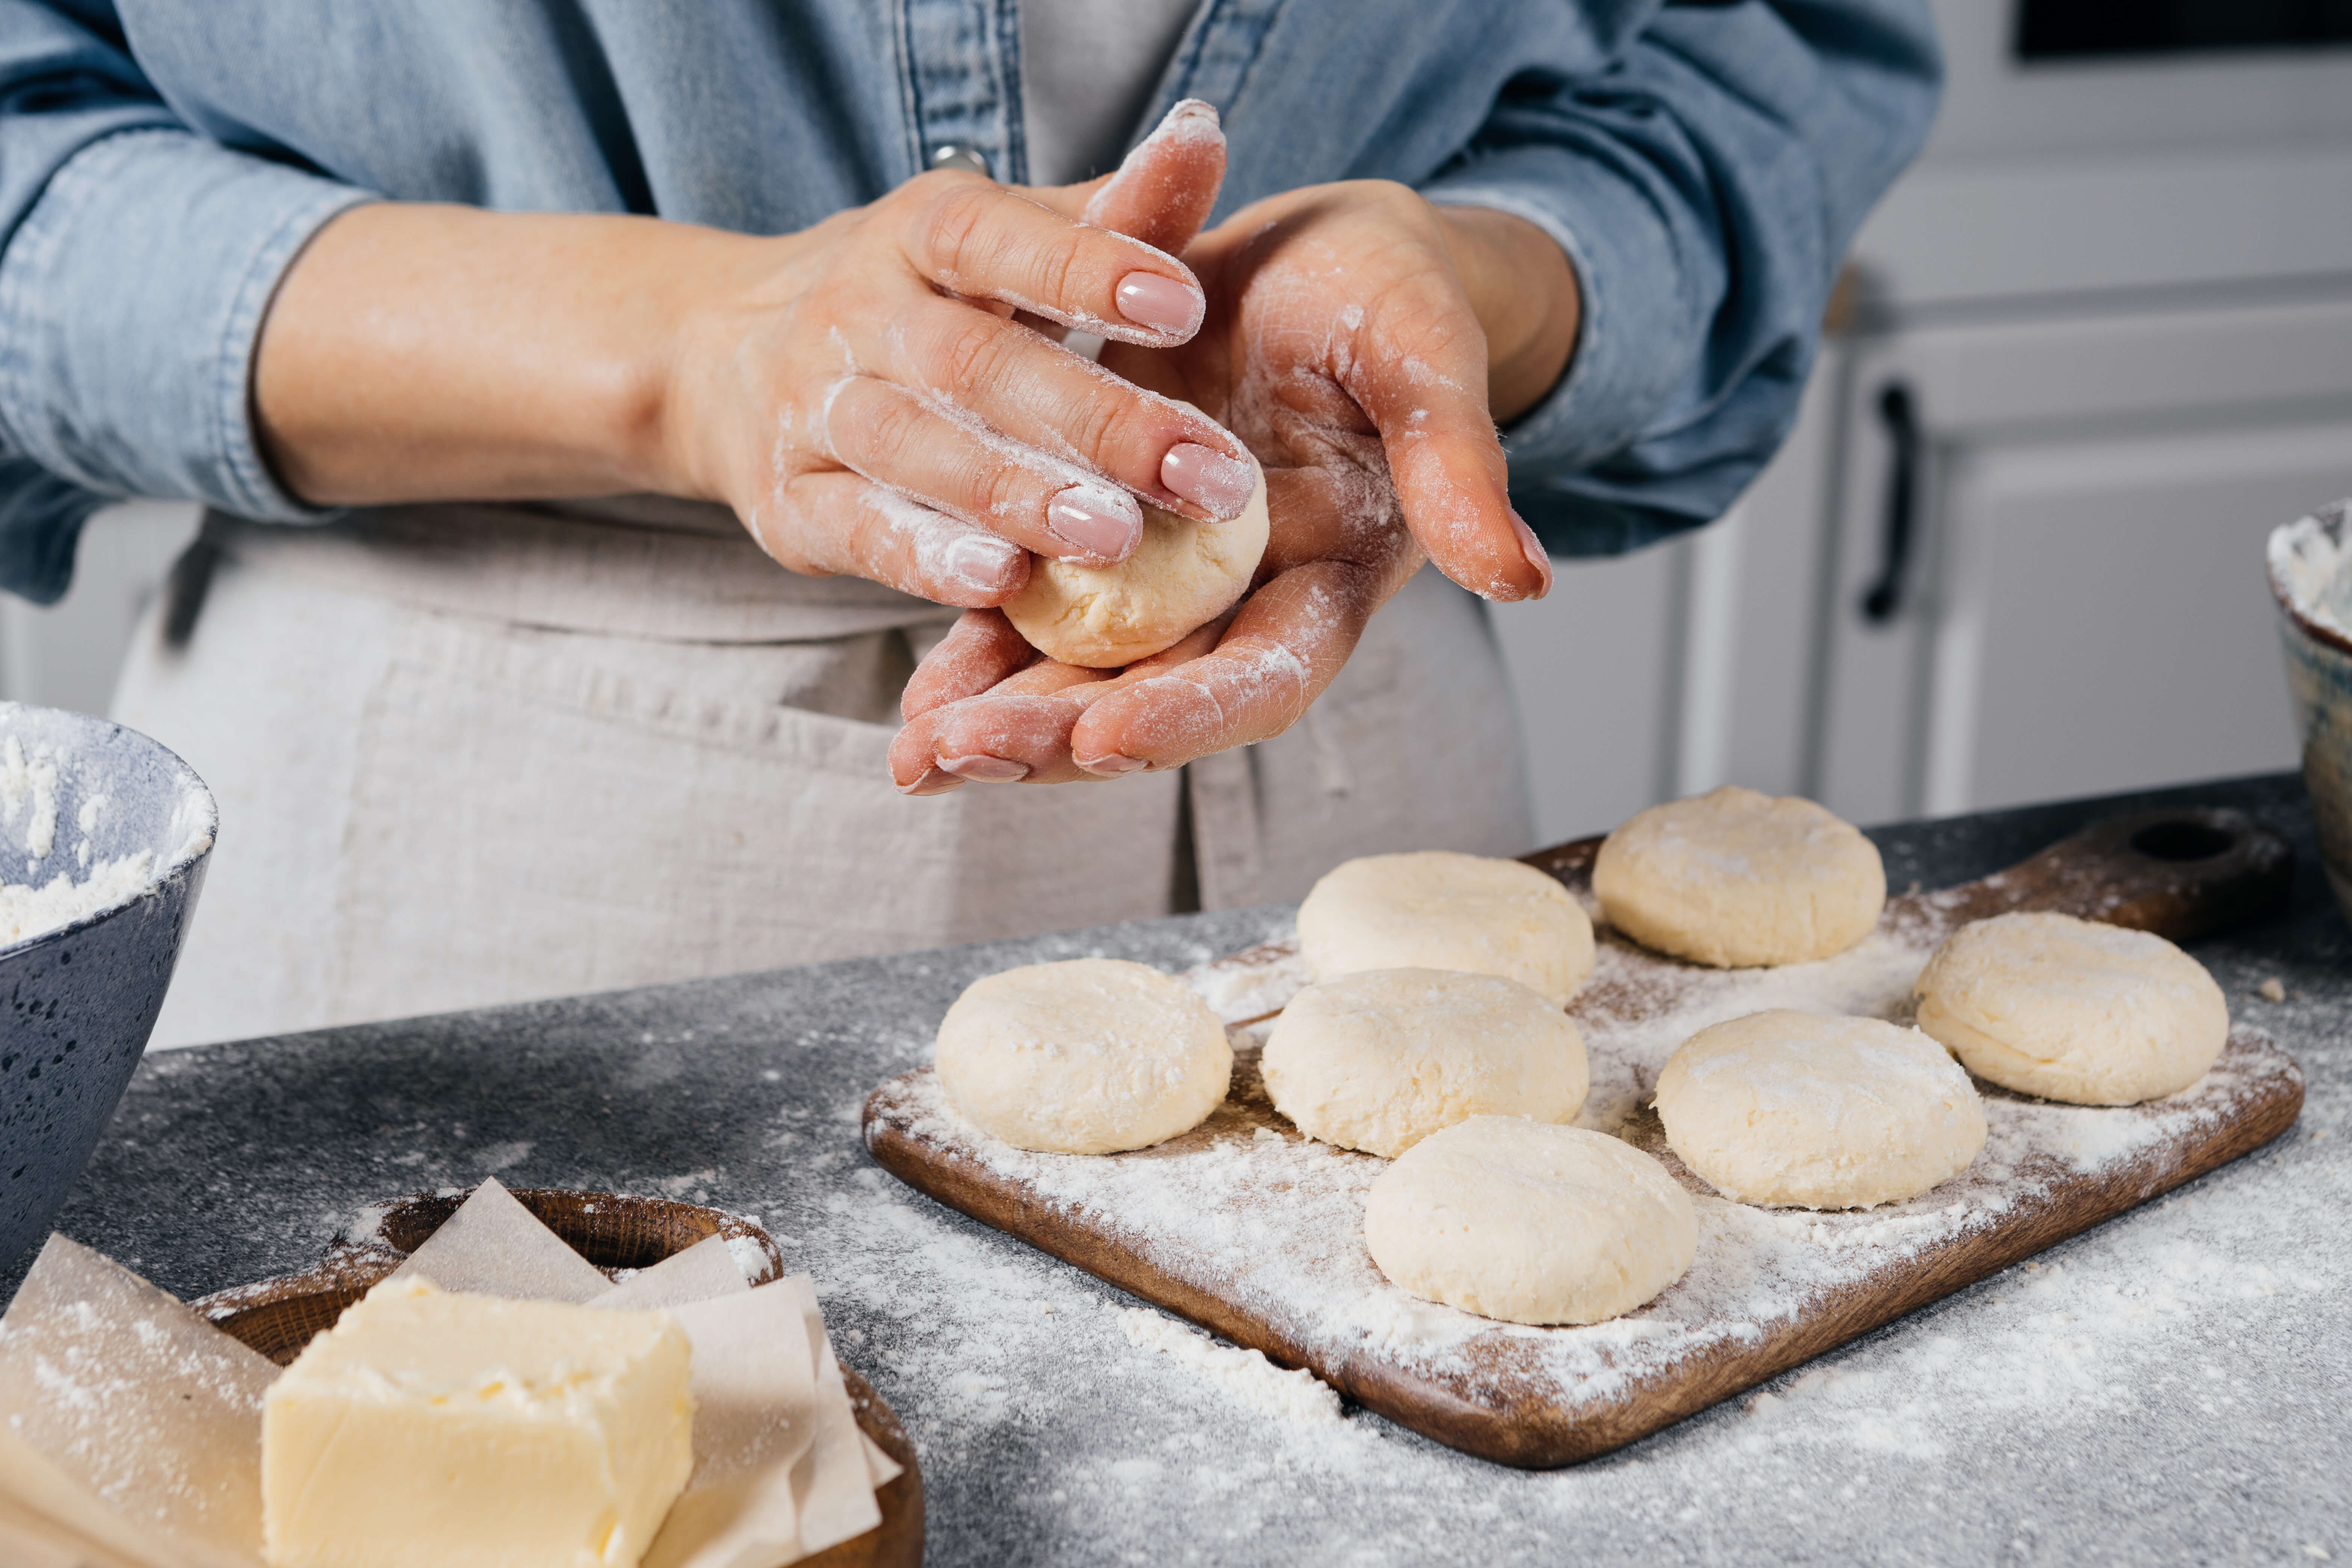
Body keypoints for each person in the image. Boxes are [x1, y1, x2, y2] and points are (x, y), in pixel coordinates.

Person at [0, 2, 1938, 1046]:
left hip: (1354, 752)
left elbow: (1758, 65)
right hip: (525, 855)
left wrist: (1480, 280)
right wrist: (694, 353)